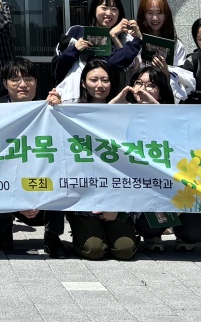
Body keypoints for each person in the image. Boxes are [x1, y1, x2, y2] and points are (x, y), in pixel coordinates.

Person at [47, 62, 138, 262]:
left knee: (124, 250)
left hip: (117, 193)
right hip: (84, 196)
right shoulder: (73, 112)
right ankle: (82, 229)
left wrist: (116, 205)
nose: (100, 85)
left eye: (105, 80)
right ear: (83, 83)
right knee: (95, 250)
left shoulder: (126, 111)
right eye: (93, 80)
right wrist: (54, 106)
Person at [117, 64, 201, 252]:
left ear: (161, 90)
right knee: (149, 225)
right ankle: (152, 235)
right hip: (143, 190)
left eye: (150, 85)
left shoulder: (175, 115)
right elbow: (99, 125)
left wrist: (154, 106)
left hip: (178, 187)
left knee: (195, 230)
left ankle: (183, 233)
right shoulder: (123, 113)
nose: (143, 89)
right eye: (138, 83)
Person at [0, 60, 44, 252]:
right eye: (15, 79)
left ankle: (53, 237)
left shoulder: (49, 109)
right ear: (5, 83)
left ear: (36, 82)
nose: (23, 84)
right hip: (5, 176)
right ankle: (3, 225)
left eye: (28, 79)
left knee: (59, 183)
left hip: (37, 177)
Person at [51, 0, 143, 91]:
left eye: (114, 9)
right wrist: (74, 49)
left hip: (107, 96)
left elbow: (128, 64)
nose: (109, 13)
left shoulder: (125, 37)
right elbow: (57, 68)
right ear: (94, 9)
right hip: (74, 94)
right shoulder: (77, 31)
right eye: (104, 8)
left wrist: (114, 36)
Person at [125, 0, 195, 103]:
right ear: (143, 15)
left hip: (164, 103)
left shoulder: (176, 45)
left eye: (159, 13)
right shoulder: (131, 38)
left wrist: (166, 71)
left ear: (166, 15)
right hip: (136, 100)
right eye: (149, 13)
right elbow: (126, 65)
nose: (155, 18)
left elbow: (180, 81)